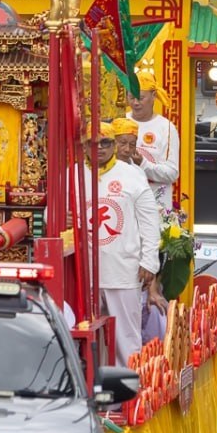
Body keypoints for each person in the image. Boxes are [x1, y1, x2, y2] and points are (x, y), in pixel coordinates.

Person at [86, 123, 161, 364]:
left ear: (113, 146)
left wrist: (149, 262)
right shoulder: (72, 173)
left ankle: (128, 387)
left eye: (105, 143)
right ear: (84, 146)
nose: (99, 148)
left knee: (125, 340)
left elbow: (150, 221)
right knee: (87, 340)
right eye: (92, 143)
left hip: (123, 271)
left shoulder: (132, 175)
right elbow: (51, 213)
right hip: (85, 274)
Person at [126, 70, 180, 212]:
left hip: (156, 206)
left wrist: (143, 164)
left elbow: (172, 173)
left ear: (154, 95)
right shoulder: (121, 122)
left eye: (140, 98)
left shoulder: (166, 128)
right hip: (126, 202)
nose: (135, 103)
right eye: (131, 97)